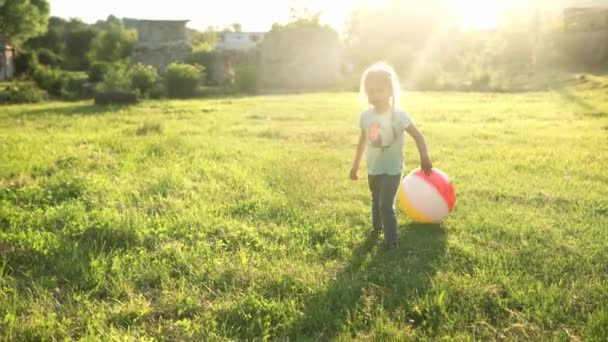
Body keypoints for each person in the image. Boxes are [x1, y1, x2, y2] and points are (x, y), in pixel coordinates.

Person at [349, 62, 433, 248]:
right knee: (375, 200)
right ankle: (376, 228)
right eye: (370, 91)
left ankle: (391, 241)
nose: (374, 95)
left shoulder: (399, 116)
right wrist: (355, 166)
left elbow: (418, 136)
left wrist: (424, 157)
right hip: (374, 168)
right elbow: (362, 142)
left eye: (379, 90)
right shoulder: (366, 117)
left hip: (392, 169)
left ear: (390, 91)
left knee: (386, 205)